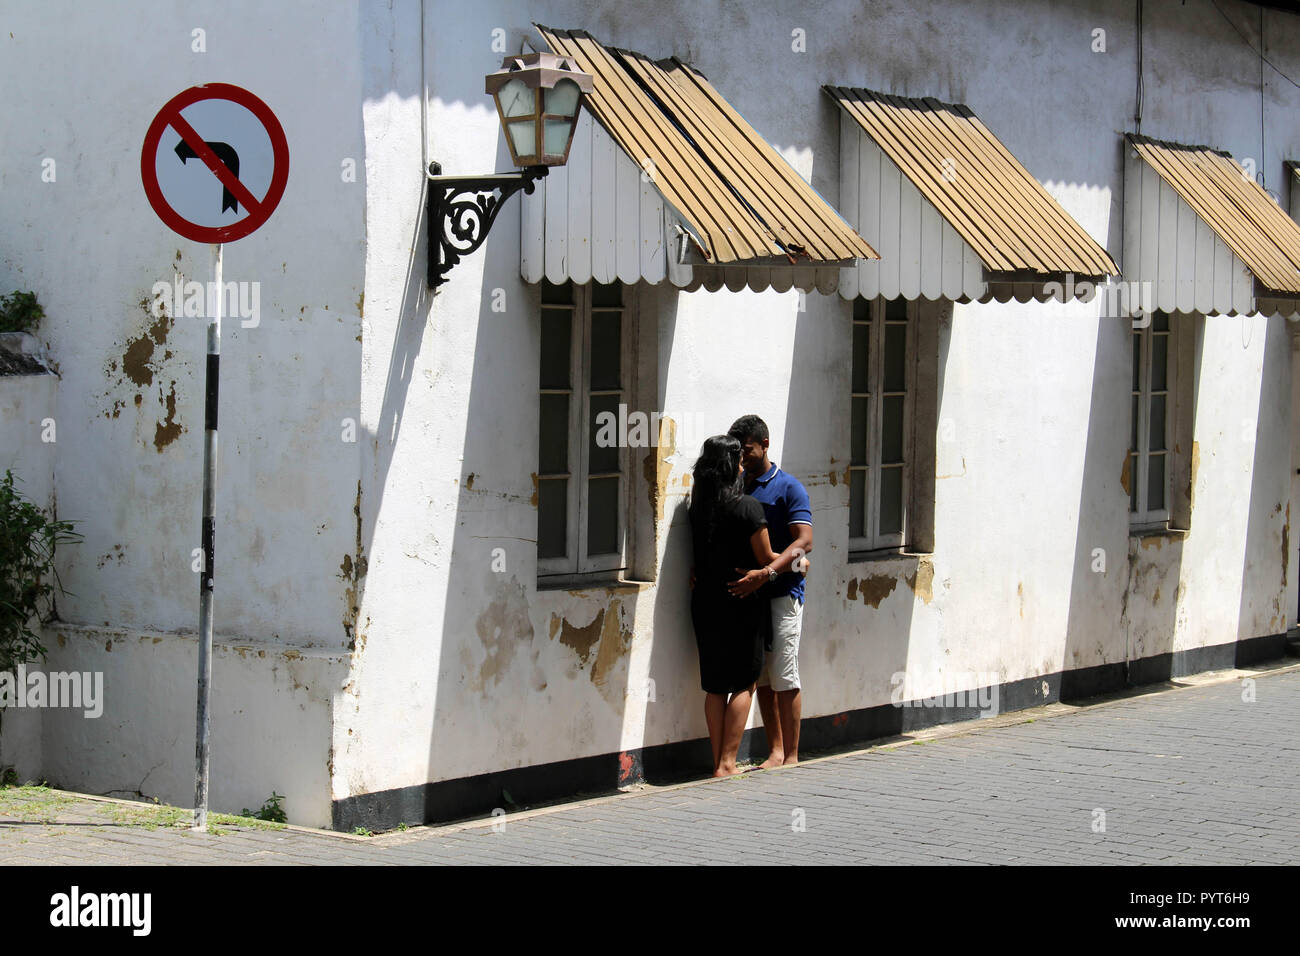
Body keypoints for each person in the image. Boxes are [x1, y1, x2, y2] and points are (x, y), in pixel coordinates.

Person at [688, 435, 784, 777]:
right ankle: (728, 763)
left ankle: (719, 761)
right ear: (732, 467)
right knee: (745, 682)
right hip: (742, 601)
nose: (744, 465)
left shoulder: (697, 507)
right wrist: (793, 561)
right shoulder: (748, 508)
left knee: (715, 685)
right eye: (739, 461)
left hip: (705, 601)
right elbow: (767, 558)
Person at [726, 415, 813, 768]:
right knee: (761, 674)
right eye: (739, 452)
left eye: (747, 449)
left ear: (765, 444)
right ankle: (774, 749)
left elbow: (804, 541)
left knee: (785, 674)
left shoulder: (789, 487)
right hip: (750, 594)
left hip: (783, 592)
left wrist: (766, 573)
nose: (742, 458)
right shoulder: (737, 486)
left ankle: (791, 755)